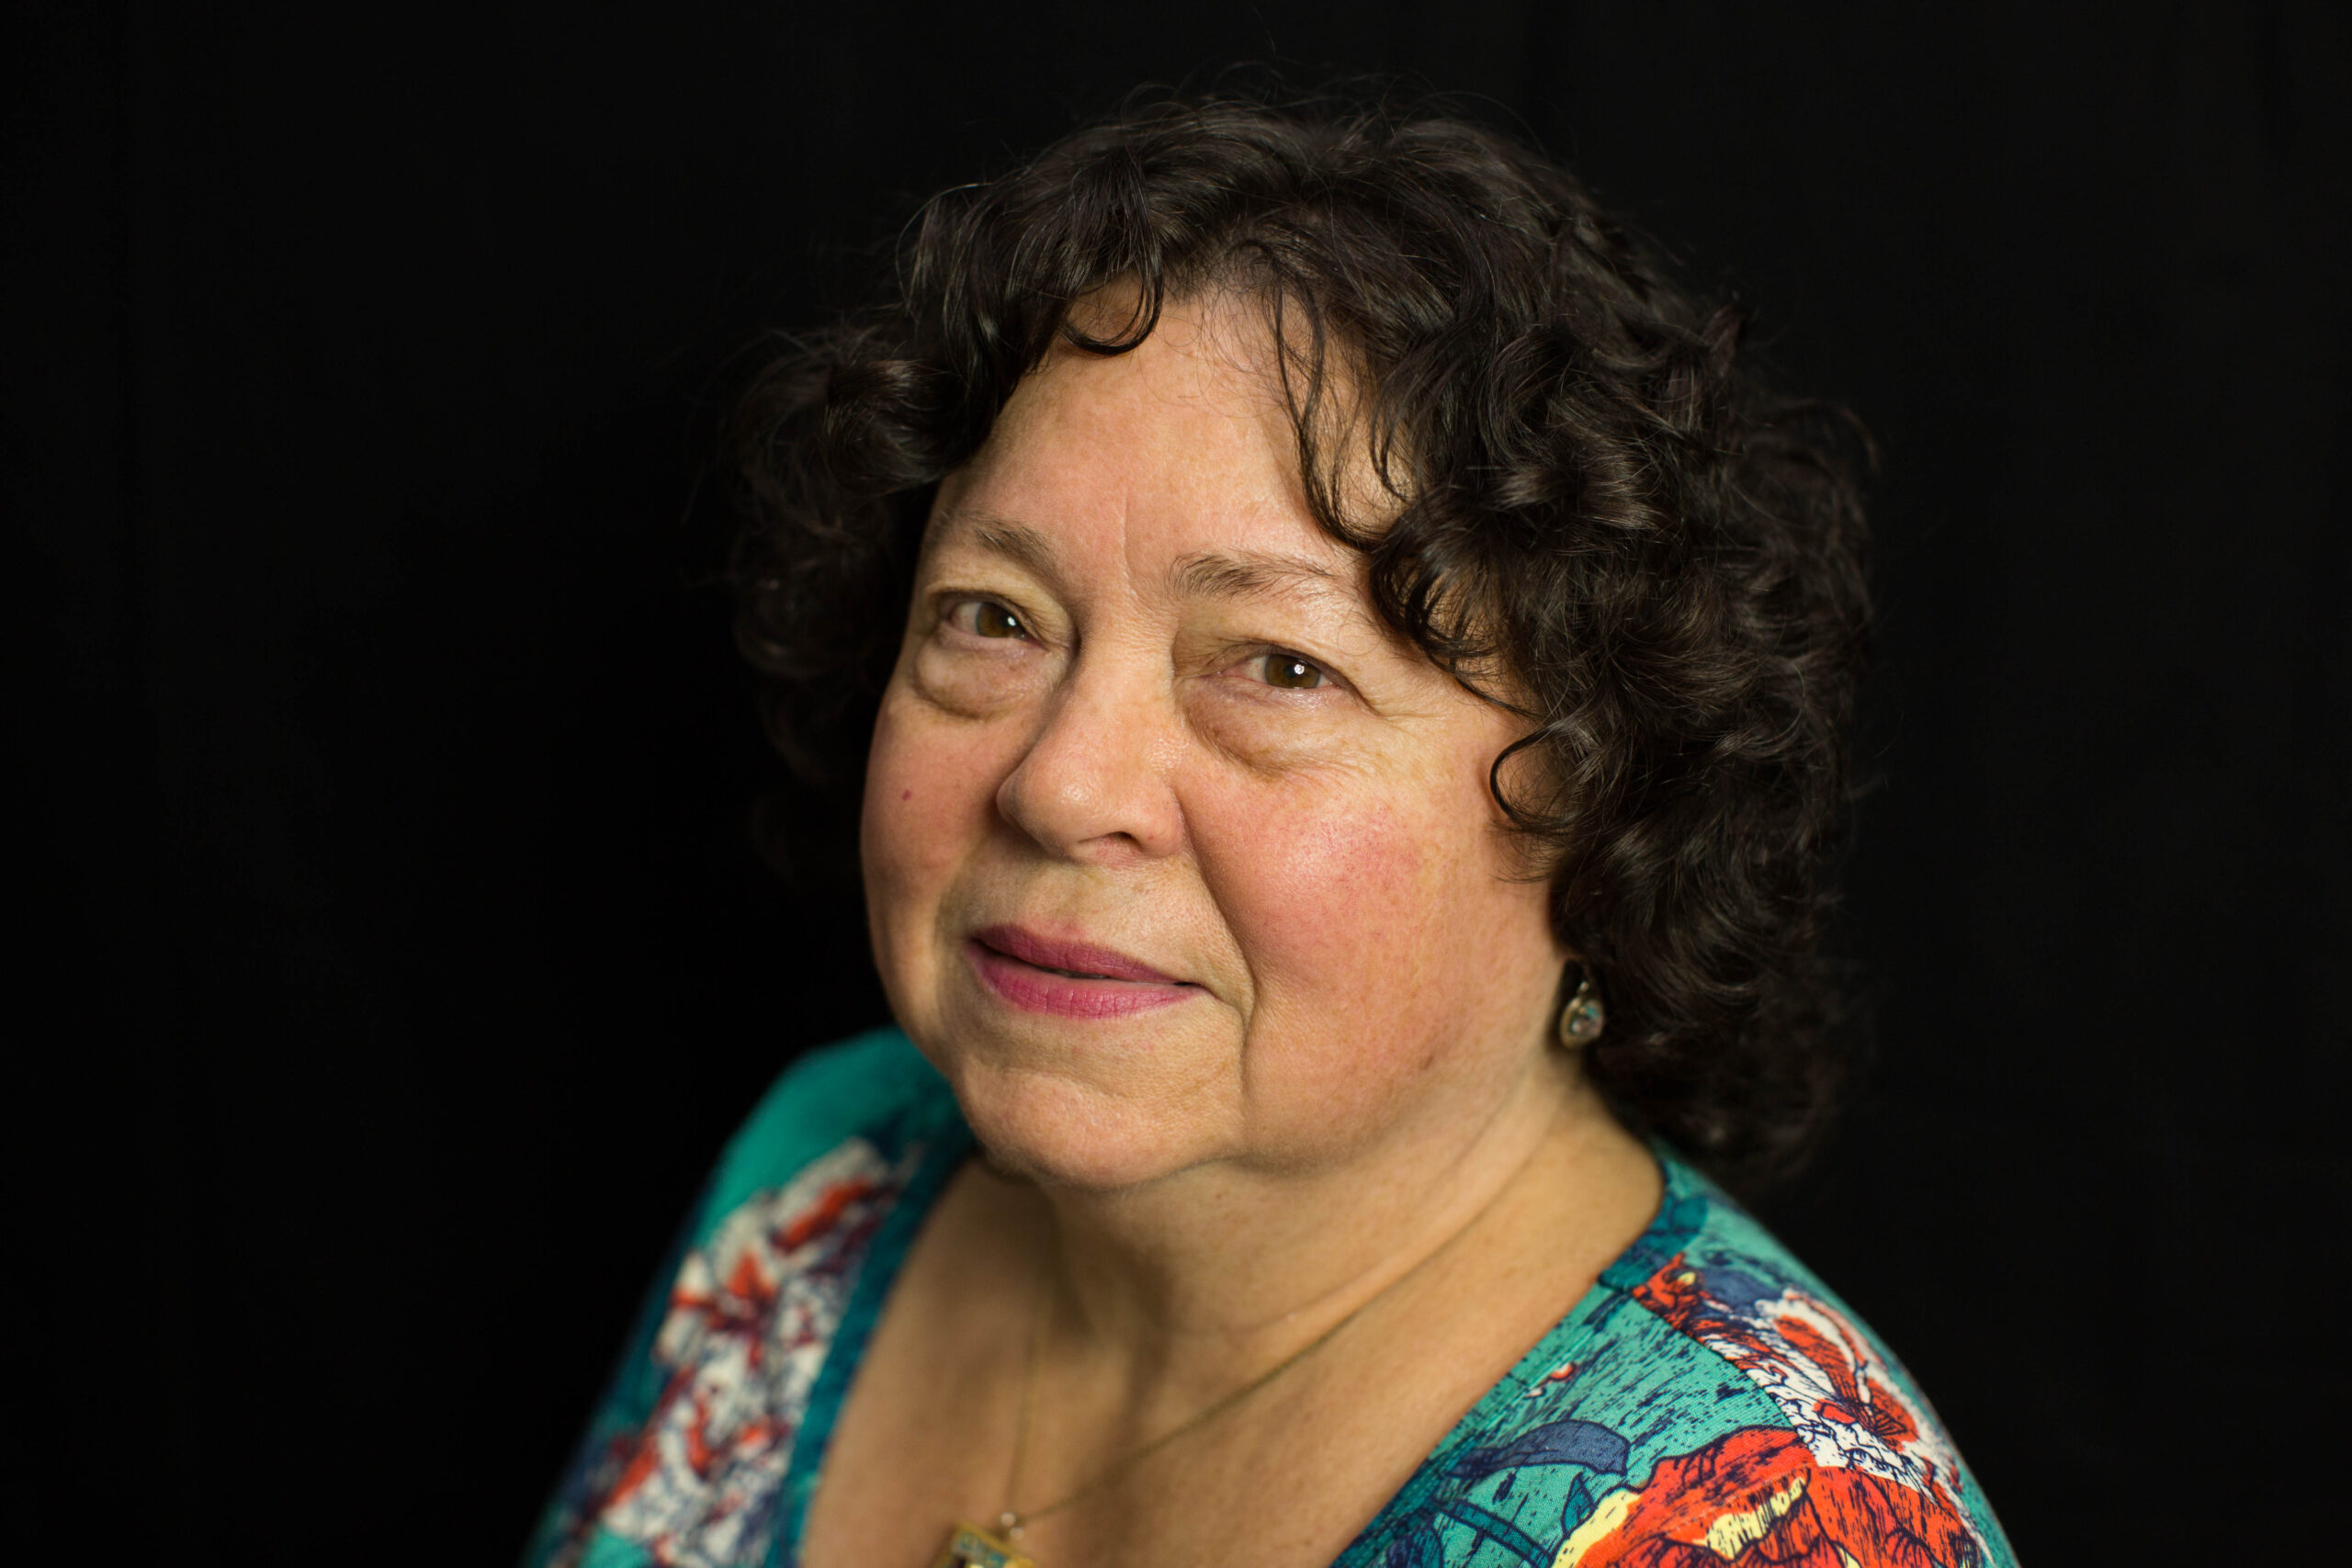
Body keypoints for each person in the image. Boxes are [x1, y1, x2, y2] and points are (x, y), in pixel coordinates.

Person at [525, 95, 2017, 1568]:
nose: (1060, 785)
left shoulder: (1772, 1536)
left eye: (1280, 667)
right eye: (994, 618)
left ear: (1612, 797)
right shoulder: (823, 1172)